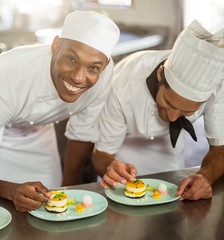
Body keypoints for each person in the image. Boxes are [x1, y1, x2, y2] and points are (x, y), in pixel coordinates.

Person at [0, 10, 120, 212]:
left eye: (93, 68)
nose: (79, 77)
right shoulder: (9, 78)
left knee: (51, 201)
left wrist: (67, 190)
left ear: (104, 66)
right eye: (71, 59)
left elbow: (82, 131)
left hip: (39, 129)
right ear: (55, 46)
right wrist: (11, 191)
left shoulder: (104, 74)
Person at [93, 20, 224, 200]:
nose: (172, 118)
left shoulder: (217, 89)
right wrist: (110, 167)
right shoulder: (122, 87)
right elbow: (101, 154)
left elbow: (221, 145)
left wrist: (205, 176)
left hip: (170, 152)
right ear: (161, 74)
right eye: (168, 103)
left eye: (185, 112)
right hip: (125, 150)